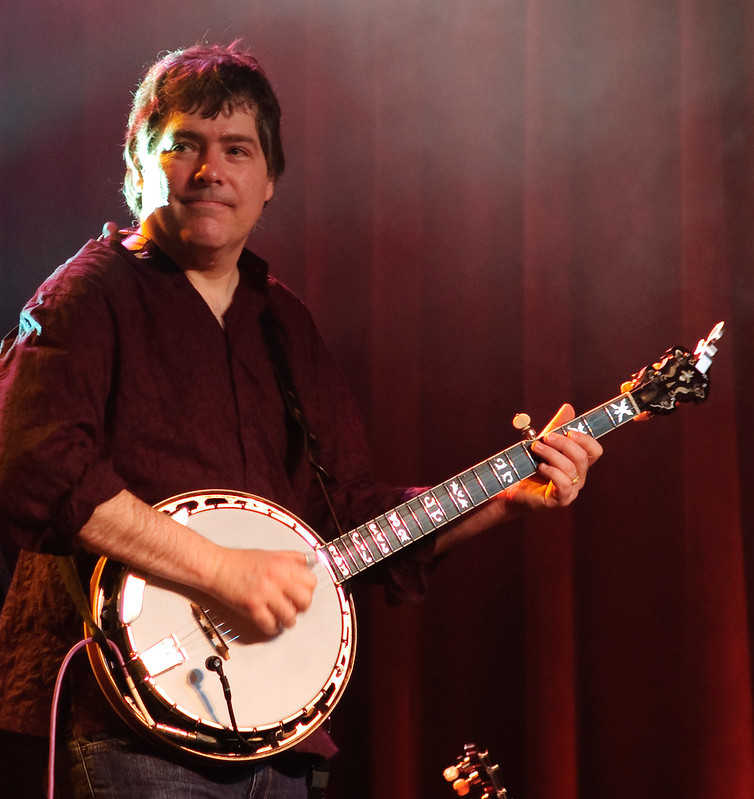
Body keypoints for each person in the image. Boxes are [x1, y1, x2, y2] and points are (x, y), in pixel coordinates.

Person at [0, 43, 602, 798]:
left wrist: (511, 499)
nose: (209, 170)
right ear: (137, 163)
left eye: (237, 150)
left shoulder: (285, 327)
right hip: (131, 737)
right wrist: (219, 569)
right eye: (183, 144)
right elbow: (32, 465)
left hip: (284, 747)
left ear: (269, 181)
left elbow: (353, 520)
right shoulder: (86, 297)